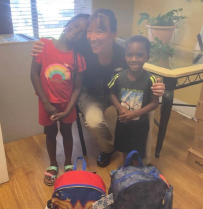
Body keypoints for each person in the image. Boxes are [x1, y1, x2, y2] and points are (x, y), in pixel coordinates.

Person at [31, 9, 165, 168]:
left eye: (99, 31)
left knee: (147, 108)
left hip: (118, 93)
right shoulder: (83, 47)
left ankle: (145, 159)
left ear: (113, 33)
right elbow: (64, 40)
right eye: (89, 31)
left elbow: (141, 68)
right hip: (90, 94)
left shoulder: (124, 53)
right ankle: (109, 148)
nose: (92, 37)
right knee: (93, 121)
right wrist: (43, 44)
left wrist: (157, 83)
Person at [30, 14, 89, 186]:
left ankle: (68, 163)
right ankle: (53, 164)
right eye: (76, 25)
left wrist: (68, 109)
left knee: (67, 132)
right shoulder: (44, 46)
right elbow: (34, 74)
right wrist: (47, 104)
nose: (77, 30)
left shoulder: (79, 59)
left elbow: (77, 87)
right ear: (68, 23)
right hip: (45, 102)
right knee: (50, 133)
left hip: (67, 105)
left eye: (82, 31)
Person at [109, 35, 159, 164]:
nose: (134, 59)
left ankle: (136, 174)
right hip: (122, 122)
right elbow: (111, 94)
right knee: (125, 149)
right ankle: (126, 172)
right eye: (130, 55)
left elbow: (154, 103)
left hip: (140, 125)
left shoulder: (151, 79)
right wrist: (120, 108)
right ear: (125, 56)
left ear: (147, 57)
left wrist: (135, 114)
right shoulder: (118, 77)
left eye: (140, 55)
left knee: (138, 152)